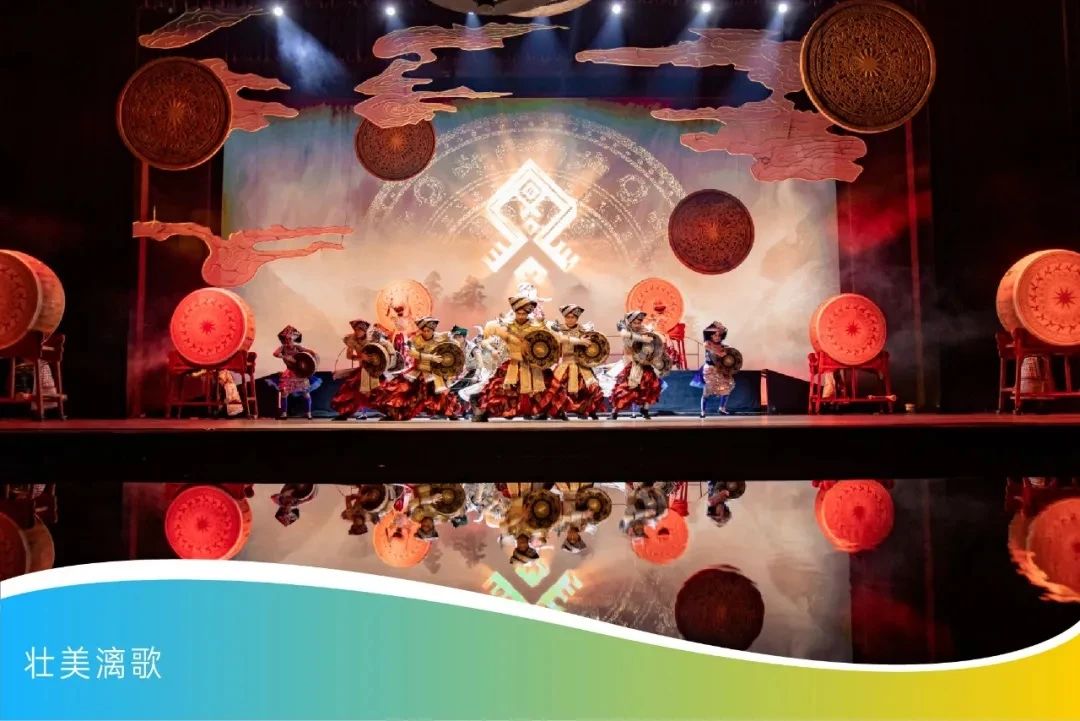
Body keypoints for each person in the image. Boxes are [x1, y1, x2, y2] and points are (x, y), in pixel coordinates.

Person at [473, 297, 552, 421]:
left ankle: (541, 412)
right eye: (518, 313)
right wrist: (492, 350)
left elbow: (546, 342)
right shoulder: (507, 327)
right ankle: (484, 412)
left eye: (523, 314)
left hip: (532, 363)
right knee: (497, 388)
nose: (521, 316)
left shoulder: (536, 326)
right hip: (513, 363)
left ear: (528, 314)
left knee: (544, 387)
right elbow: (486, 342)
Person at [372, 317, 461, 420]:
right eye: (424, 330)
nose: (426, 333)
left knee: (441, 393)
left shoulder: (440, 337)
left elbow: (454, 343)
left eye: (428, 331)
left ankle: (451, 413)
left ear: (433, 330)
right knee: (405, 390)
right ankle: (396, 414)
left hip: (434, 371)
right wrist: (431, 357)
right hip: (418, 370)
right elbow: (412, 353)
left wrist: (452, 344)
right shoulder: (415, 339)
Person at [540, 304, 606, 421]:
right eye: (567, 317)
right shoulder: (559, 329)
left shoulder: (583, 330)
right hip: (565, 364)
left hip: (581, 364)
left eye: (573, 317)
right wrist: (579, 341)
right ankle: (552, 413)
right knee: (554, 388)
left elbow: (594, 344)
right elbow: (559, 338)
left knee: (591, 387)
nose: (570, 319)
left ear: (577, 318)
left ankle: (589, 411)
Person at [331, 319, 395, 421]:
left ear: (365, 331)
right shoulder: (352, 339)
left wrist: (383, 358)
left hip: (375, 370)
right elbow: (349, 356)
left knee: (378, 392)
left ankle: (389, 413)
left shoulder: (373, 337)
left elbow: (387, 346)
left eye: (360, 330)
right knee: (352, 390)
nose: (357, 332)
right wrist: (360, 357)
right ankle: (345, 413)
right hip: (362, 369)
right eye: (356, 330)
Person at [610, 311, 664, 420]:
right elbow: (624, 334)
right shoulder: (625, 330)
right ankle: (615, 412)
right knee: (625, 389)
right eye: (635, 322)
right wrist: (643, 339)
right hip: (632, 365)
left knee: (651, 386)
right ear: (630, 322)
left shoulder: (644, 330)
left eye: (639, 322)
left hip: (645, 364)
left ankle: (645, 409)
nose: (637, 325)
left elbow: (656, 340)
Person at [267, 326, 321, 419]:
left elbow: (309, 352)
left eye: (289, 339)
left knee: (305, 393)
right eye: (286, 340)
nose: (287, 342)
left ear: (293, 339)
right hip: (289, 373)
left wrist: (314, 356)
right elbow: (275, 353)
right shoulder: (283, 348)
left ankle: (308, 413)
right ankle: (284, 413)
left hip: (300, 373)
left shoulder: (298, 347)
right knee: (284, 392)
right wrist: (284, 356)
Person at [692, 321, 737, 417]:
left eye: (719, 335)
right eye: (715, 335)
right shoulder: (707, 343)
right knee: (706, 392)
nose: (717, 337)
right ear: (711, 335)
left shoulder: (723, 346)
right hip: (709, 370)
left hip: (720, 370)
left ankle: (722, 408)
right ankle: (703, 412)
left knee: (727, 387)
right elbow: (705, 332)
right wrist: (716, 326)